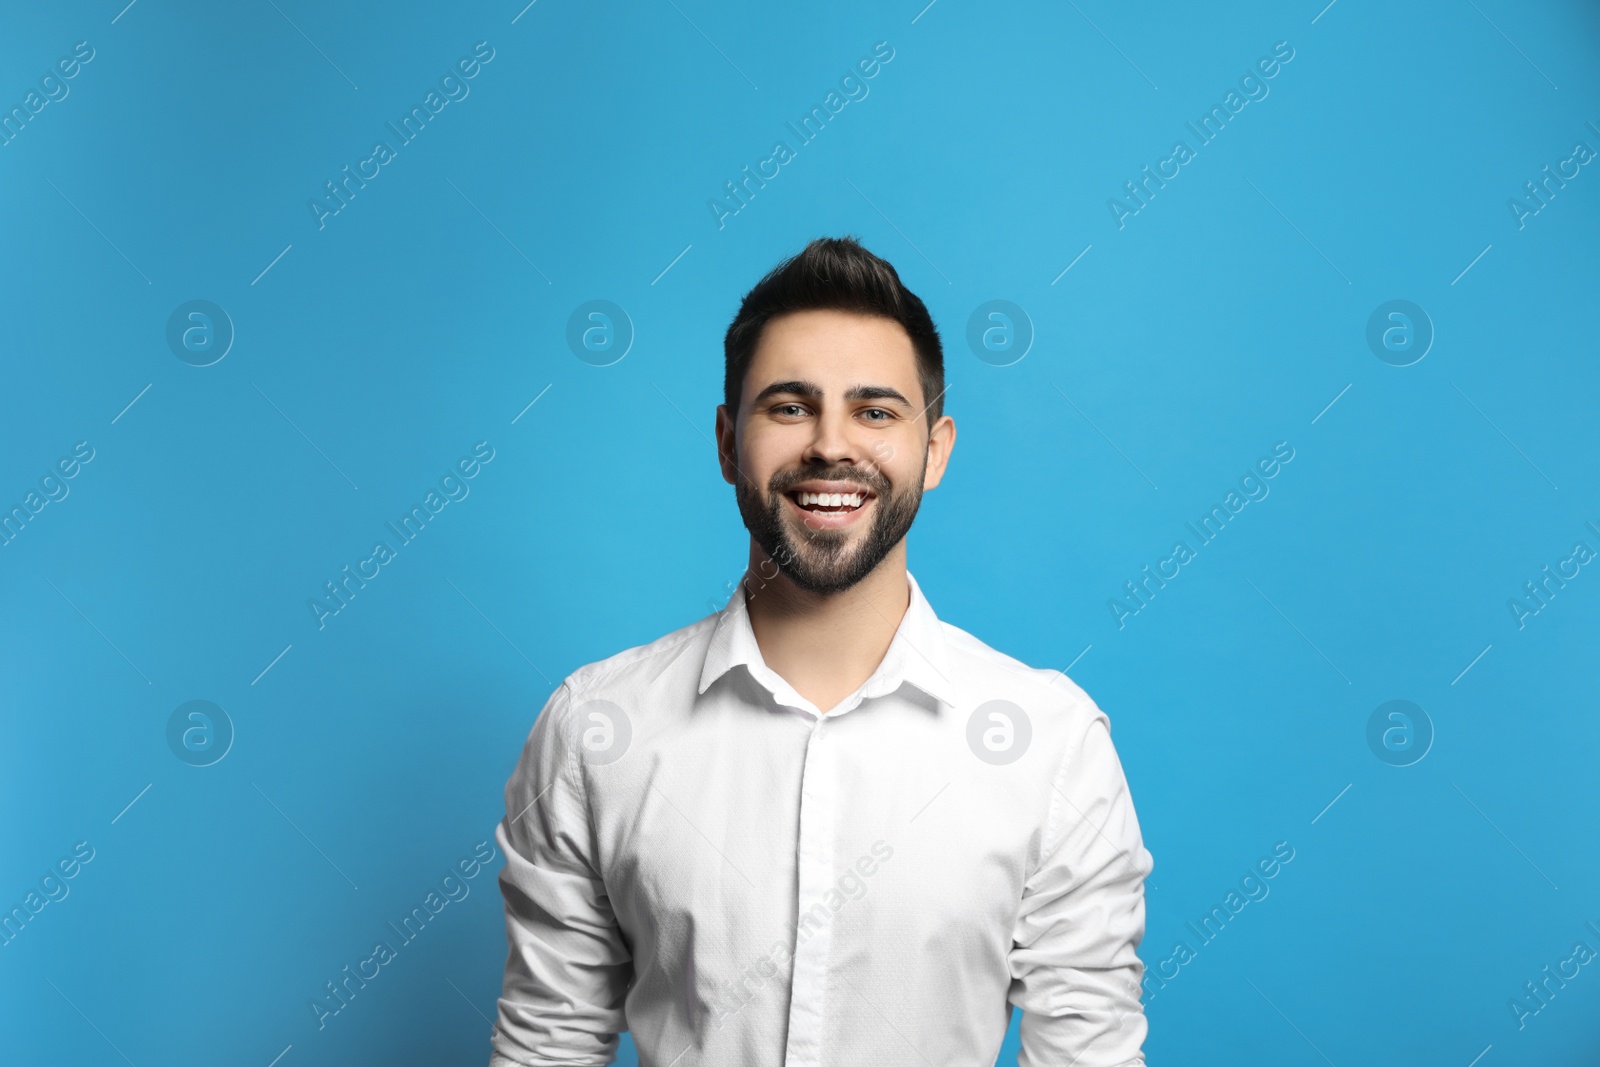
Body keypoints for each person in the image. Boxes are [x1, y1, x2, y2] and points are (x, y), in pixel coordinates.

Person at [489, 236, 1153, 1066]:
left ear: (935, 449)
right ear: (729, 443)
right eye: (790, 406)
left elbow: (1089, 1050)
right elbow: (549, 1042)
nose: (831, 445)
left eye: (875, 411)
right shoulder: (595, 728)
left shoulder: (1051, 743)